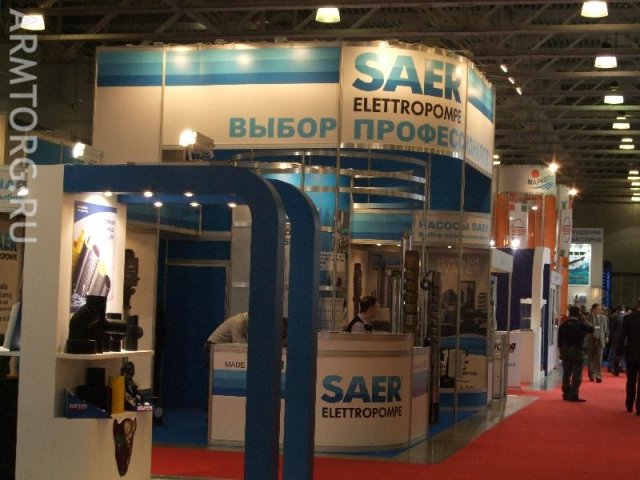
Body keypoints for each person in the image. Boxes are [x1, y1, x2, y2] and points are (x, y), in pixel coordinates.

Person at [558, 305, 594, 402]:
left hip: (565, 350)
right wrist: (584, 319)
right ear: (578, 314)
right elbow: (592, 329)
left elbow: (559, 341)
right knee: (577, 374)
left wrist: (561, 352)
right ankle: (573, 393)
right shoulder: (580, 325)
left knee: (566, 373)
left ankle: (566, 393)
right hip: (577, 350)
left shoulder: (563, 325)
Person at [616, 297, 640, 415]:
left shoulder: (628, 318)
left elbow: (622, 336)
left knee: (631, 380)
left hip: (631, 353)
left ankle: (629, 405)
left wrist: (618, 353)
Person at [585, 303, 609, 383]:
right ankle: (591, 375)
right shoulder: (587, 318)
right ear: (593, 309)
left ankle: (598, 375)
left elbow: (606, 329)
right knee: (591, 358)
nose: (599, 310)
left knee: (599, 359)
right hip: (591, 340)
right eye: (598, 309)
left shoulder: (604, 318)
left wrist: (607, 336)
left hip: (600, 340)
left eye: (600, 309)